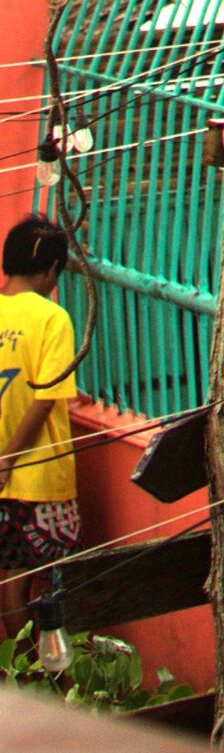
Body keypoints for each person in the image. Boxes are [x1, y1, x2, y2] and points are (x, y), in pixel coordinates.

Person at [0, 217, 80, 595]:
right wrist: (7, 461)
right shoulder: (52, 318)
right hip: (39, 480)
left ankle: (16, 658)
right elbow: (45, 400)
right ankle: (46, 658)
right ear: (51, 269)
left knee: (11, 584)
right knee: (54, 585)